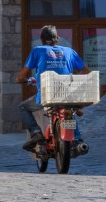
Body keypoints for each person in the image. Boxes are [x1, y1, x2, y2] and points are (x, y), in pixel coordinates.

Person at [15, 25, 90, 156]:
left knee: (23, 107)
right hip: (67, 94)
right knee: (69, 110)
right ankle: (77, 139)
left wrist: (22, 80)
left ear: (41, 39)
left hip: (47, 95)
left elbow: (21, 76)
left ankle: (36, 134)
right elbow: (86, 71)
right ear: (57, 38)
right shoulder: (69, 51)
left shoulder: (38, 50)